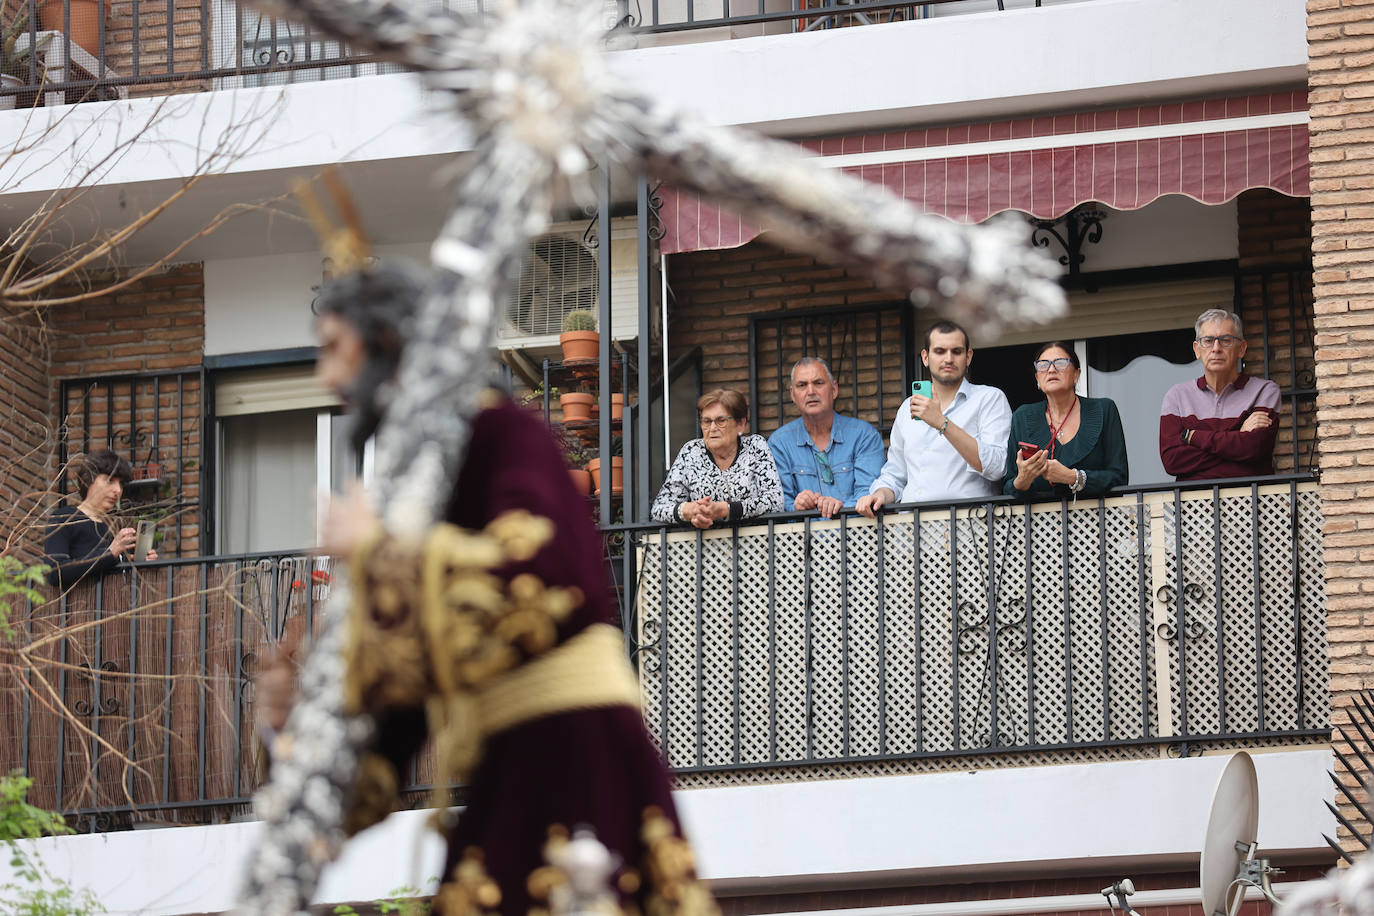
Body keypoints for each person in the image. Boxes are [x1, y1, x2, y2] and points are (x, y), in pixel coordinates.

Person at [260, 262, 716, 916]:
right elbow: (397, 717)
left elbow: (542, 581)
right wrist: (289, 738)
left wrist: (380, 553)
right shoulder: (414, 489)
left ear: (386, 342)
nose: (325, 379)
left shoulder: (504, 431)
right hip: (507, 776)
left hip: (578, 760)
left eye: (334, 349)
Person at [856, 320, 1011, 515]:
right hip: (912, 529)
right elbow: (895, 475)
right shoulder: (907, 408)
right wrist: (879, 494)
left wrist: (941, 423)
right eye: (939, 351)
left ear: (968, 356)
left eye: (956, 351)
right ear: (925, 357)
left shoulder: (989, 398)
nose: (948, 359)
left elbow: (998, 467)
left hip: (970, 528)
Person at [1160, 308, 1281, 480]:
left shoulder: (1265, 391)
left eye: (1225, 340)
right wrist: (1238, 435)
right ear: (1197, 349)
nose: (1216, 348)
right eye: (1208, 341)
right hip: (1194, 505)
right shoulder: (1177, 396)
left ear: (1241, 348)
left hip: (1252, 502)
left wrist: (1194, 436)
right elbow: (1172, 460)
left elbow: (1254, 448)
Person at [1004, 342, 1128, 500]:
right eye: (1043, 365)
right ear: (1037, 379)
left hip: (1099, 520)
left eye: (1060, 363)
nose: (1051, 369)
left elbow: (1119, 478)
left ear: (1077, 374)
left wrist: (1072, 477)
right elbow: (1008, 486)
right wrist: (1023, 479)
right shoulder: (1022, 416)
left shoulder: (1104, 409)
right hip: (1039, 522)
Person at [767, 357, 885, 519]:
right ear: (793, 395)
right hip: (801, 541)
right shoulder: (779, 443)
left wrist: (841, 508)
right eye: (802, 385)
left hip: (856, 538)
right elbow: (778, 502)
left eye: (818, 383)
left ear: (834, 389)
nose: (811, 391)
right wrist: (796, 505)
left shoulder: (864, 436)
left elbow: (870, 493)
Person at [651, 388, 783, 528]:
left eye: (721, 421)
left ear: (741, 424)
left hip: (755, 545)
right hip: (703, 546)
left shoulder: (755, 446)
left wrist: (726, 510)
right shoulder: (691, 452)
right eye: (706, 421)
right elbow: (659, 508)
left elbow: (775, 502)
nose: (712, 428)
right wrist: (691, 511)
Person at [43, 449, 157, 590]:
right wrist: (110, 553)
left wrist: (139, 565)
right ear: (89, 479)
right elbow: (54, 572)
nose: (118, 490)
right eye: (110, 480)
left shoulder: (114, 526)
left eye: (121, 484)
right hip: (81, 608)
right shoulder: (64, 518)